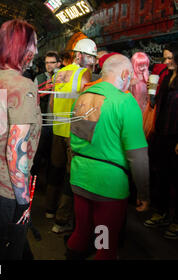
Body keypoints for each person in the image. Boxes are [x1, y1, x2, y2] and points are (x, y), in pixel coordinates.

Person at [66, 53, 150, 260]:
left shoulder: (83, 97)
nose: (130, 81)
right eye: (129, 76)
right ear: (124, 73)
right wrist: (143, 193)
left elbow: (74, 139)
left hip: (79, 178)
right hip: (108, 186)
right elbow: (137, 155)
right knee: (104, 243)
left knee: (81, 231)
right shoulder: (125, 102)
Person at [0, 19, 41, 259]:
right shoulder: (23, 86)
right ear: (21, 47)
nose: (35, 50)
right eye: (33, 44)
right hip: (7, 192)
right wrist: (23, 202)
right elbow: (15, 152)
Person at [45, 38, 94, 234]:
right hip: (74, 132)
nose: (92, 61)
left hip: (58, 128)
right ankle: (61, 219)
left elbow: (51, 102)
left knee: (55, 169)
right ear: (80, 55)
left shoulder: (60, 72)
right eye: (90, 56)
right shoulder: (85, 73)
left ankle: (49, 208)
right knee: (71, 173)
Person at [143, 44, 178, 240]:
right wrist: (152, 94)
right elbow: (158, 105)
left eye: (170, 58)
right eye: (164, 58)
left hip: (175, 136)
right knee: (161, 175)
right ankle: (161, 212)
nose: (166, 62)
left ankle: (176, 221)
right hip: (162, 133)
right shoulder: (164, 74)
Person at [31, 51, 61, 185]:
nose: (49, 65)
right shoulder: (39, 78)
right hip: (42, 123)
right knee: (38, 154)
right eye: (47, 63)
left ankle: (50, 185)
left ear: (58, 63)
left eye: (52, 62)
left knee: (53, 158)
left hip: (57, 123)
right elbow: (32, 98)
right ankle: (32, 182)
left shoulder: (63, 77)